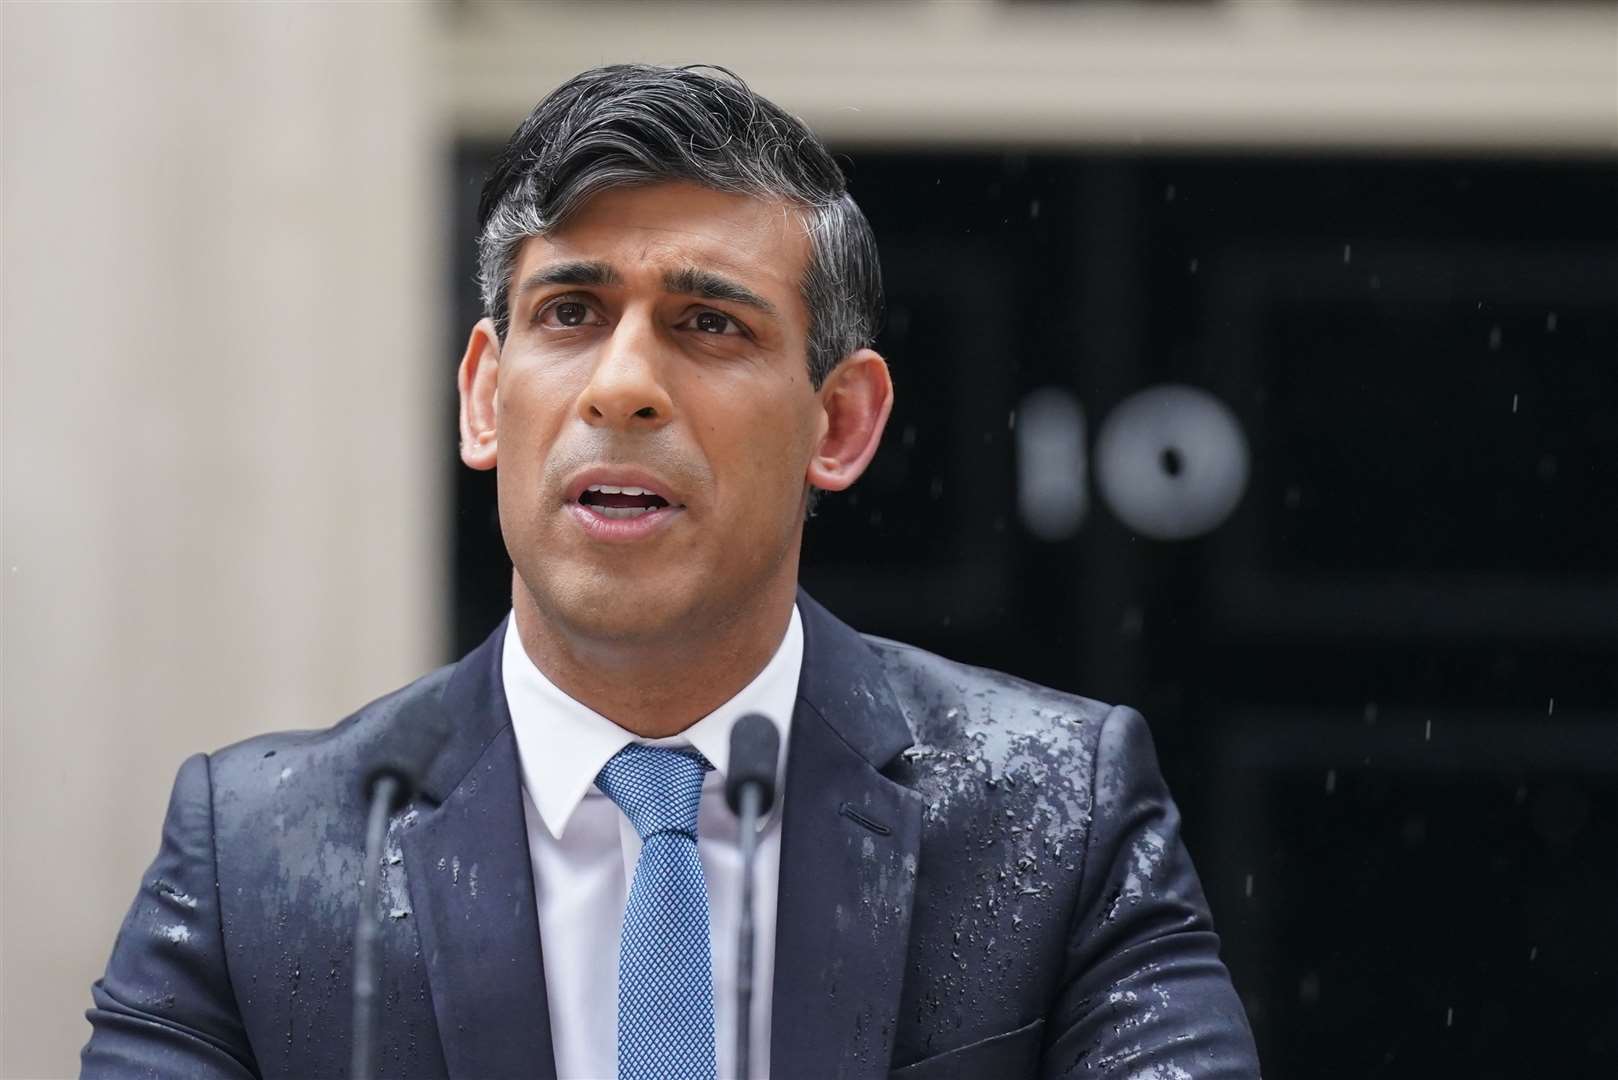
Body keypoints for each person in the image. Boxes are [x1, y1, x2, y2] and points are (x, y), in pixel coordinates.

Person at [82, 64, 1259, 1079]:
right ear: (487, 397)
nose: (620, 385)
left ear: (839, 423)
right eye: (572, 312)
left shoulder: (1054, 815)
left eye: (708, 325)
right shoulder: (257, 857)